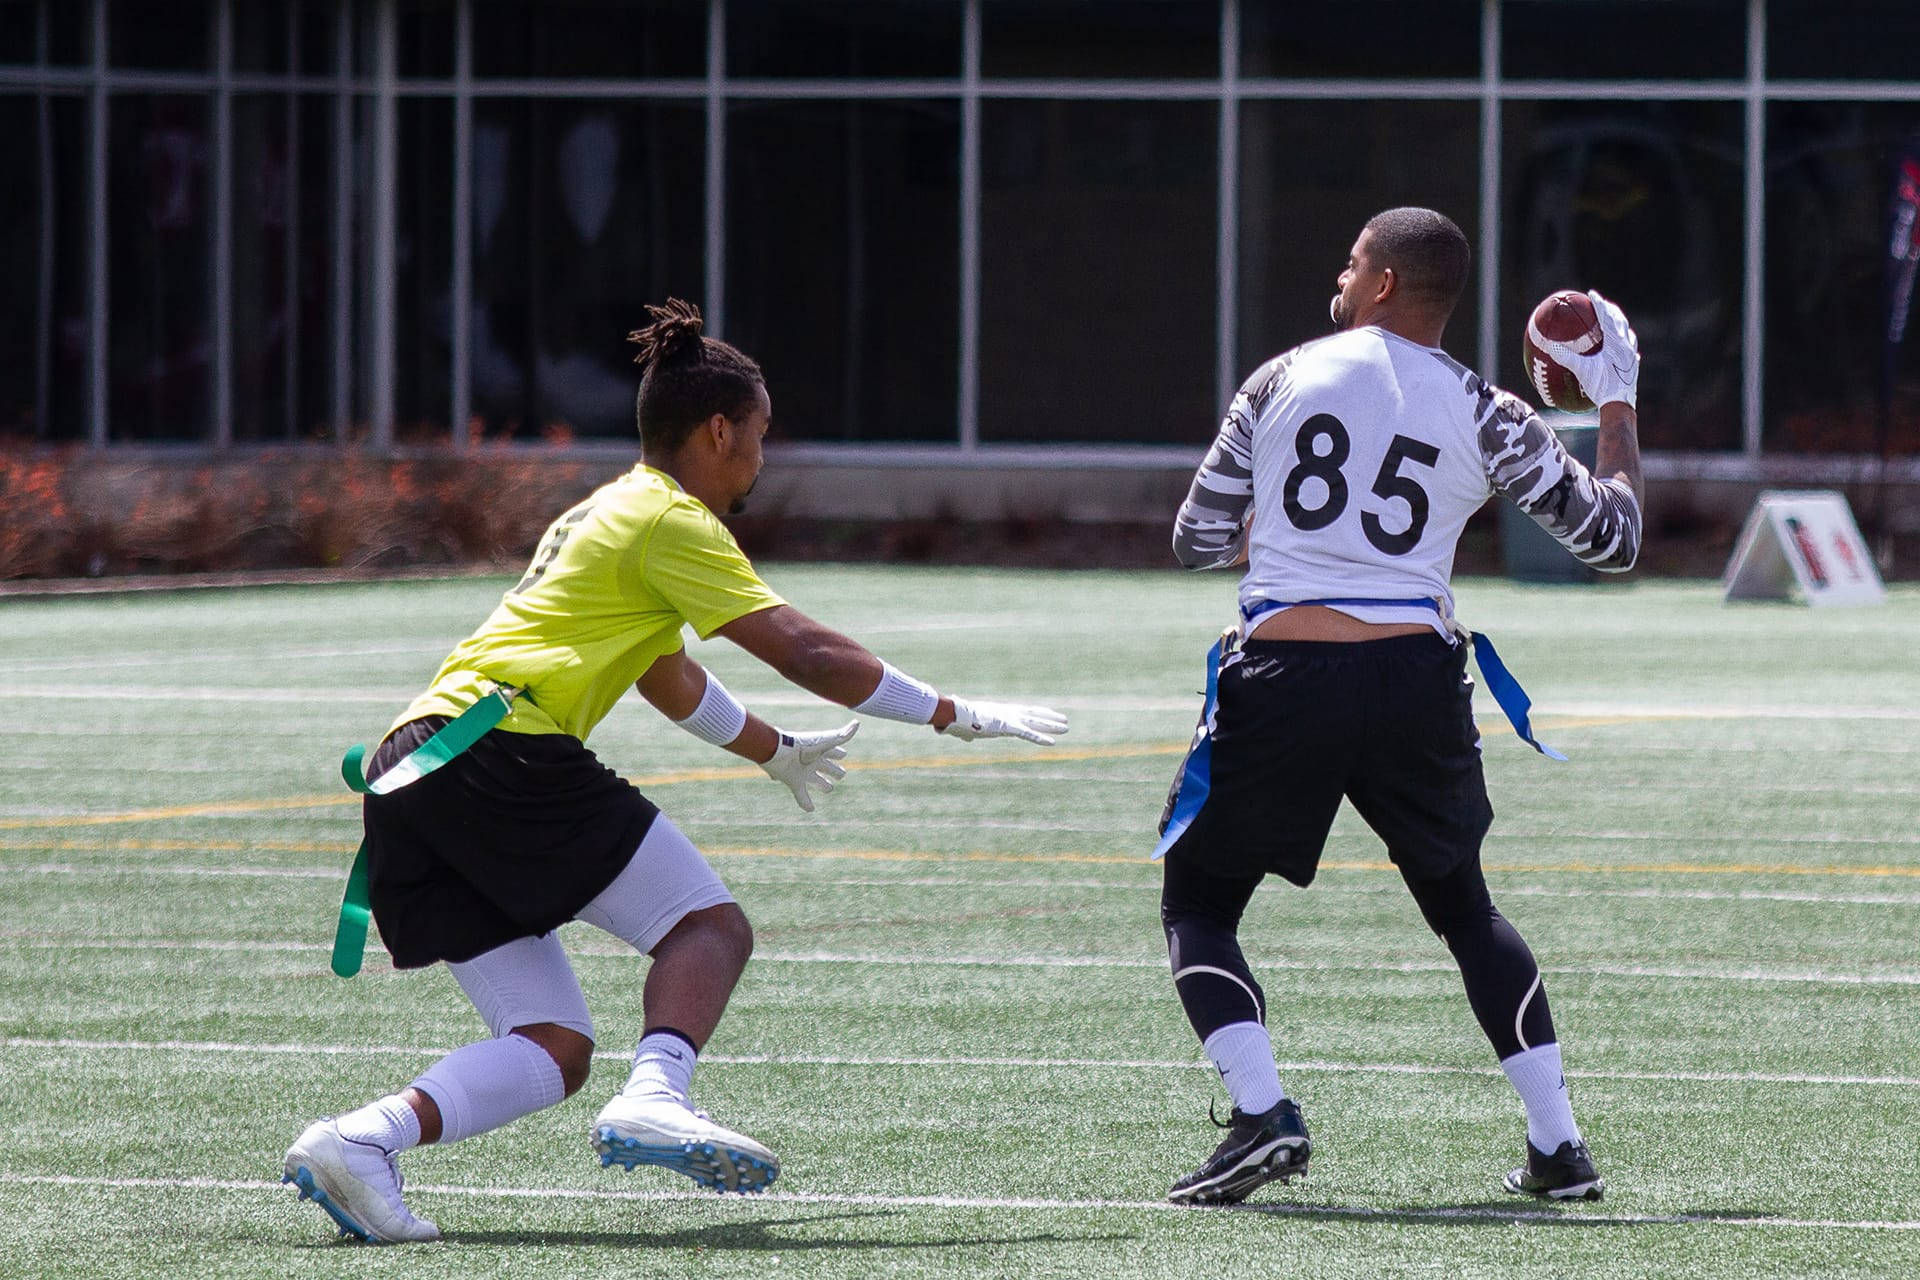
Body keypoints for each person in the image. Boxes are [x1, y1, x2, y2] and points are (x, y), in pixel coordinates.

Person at [283, 298, 1067, 1244]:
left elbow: (669, 678)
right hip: (496, 749)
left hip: (415, 768)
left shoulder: (607, 509)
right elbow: (806, 650)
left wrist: (774, 751)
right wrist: (956, 714)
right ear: (719, 428)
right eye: (760, 436)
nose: (762, 460)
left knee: (553, 1049)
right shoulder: (671, 519)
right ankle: (656, 1094)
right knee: (708, 927)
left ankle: (359, 1143)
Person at [1158, 207, 1642, 1207]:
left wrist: (1269, 527)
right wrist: (1619, 403)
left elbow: (1196, 540)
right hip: (1416, 679)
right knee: (1465, 907)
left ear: (1381, 282)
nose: (1340, 275)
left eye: (1351, 261)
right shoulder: (1492, 409)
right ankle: (1559, 1143)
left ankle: (1262, 1113)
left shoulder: (1280, 376)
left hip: (1285, 673)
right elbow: (1616, 539)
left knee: (1198, 904)